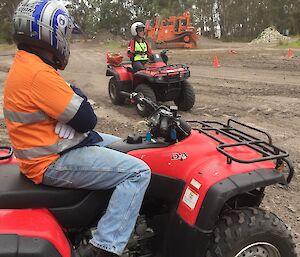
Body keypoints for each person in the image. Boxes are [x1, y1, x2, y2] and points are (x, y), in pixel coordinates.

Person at [3, 1, 151, 257]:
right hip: (50, 160)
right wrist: (75, 93)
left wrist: (72, 97)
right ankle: (105, 246)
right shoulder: (39, 74)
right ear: (51, 34)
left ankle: (112, 215)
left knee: (122, 144)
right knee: (138, 171)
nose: (67, 41)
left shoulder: (27, 63)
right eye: (66, 35)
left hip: (47, 148)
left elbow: (76, 113)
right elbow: (86, 120)